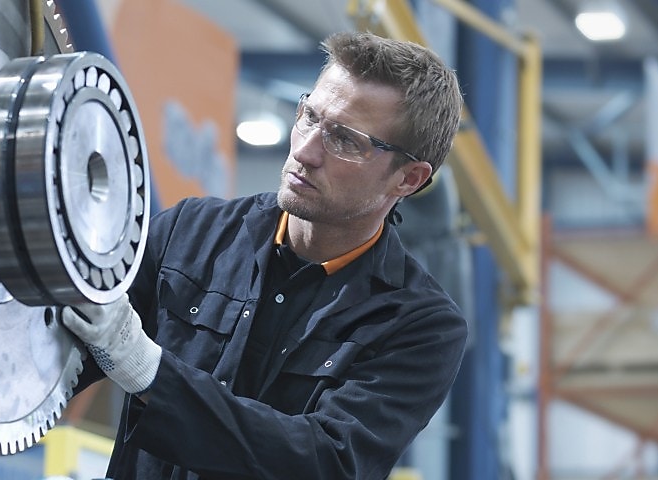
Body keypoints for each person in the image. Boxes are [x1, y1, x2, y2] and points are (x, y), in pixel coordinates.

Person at [62, 31, 468, 479]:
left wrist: (149, 371)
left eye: (345, 140)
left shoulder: (419, 326)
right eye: (309, 116)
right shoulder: (189, 233)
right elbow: (59, 357)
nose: (305, 150)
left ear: (409, 179)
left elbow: (323, 461)